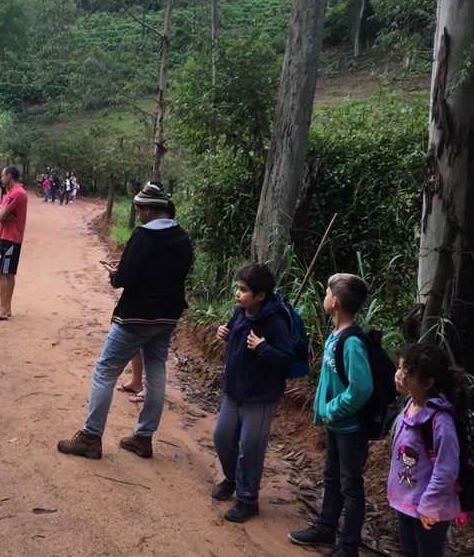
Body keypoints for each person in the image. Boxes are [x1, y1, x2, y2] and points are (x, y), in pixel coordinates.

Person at [57, 181, 193, 460]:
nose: (139, 215)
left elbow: (126, 278)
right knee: (156, 374)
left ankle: (91, 436)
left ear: (149, 210)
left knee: (106, 371)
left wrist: (114, 275)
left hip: (135, 316)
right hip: (166, 317)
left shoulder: (143, 236)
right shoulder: (181, 236)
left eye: (140, 210)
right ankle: (143, 438)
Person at [288, 273, 372, 557]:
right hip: (337, 425)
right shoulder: (336, 335)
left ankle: (348, 546)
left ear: (334, 302)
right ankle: (325, 527)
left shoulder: (352, 342)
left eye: (326, 292)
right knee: (332, 478)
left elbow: (361, 388)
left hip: (350, 428)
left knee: (350, 485)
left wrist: (332, 409)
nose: (324, 296)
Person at [211, 263, 295, 523]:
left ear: (260, 295)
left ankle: (248, 500)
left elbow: (286, 357)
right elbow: (234, 339)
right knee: (222, 438)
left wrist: (262, 348)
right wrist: (223, 333)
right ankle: (233, 479)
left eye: (243, 290)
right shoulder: (240, 312)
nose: (238, 294)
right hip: (234, 392)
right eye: (238, 288)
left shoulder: (274, 321)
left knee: (250, 449)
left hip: (259, 397)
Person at [388, 343, 463, 557]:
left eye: (406, 372)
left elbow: (446, 470)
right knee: (410, 551)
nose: (398, 375)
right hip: (407, 502)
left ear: (428, 383)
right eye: (400, 367)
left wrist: (430, 506)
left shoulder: (441, 422)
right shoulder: (411, 402)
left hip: (429, 508)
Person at [0, 165, 28, 321]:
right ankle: (6, 307)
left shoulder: (17, 193)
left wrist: (1, 213)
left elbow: (1, 215)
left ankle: (2, 310)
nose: (1, 178)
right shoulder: (12, 193)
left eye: (2, 175)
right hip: (8, 237)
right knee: (7, 273)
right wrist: (0, 213)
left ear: (9, 176)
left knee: (4, 273)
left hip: (9, 238)